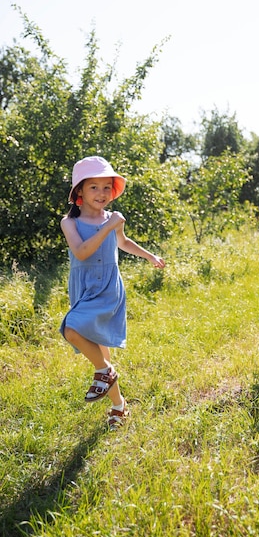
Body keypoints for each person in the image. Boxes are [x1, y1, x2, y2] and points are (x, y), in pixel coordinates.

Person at [60, 156, 165, 428]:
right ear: (79, 191)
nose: (102, 193)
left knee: (72, 329)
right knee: (101, 358)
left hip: (107, 288)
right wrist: (108, 225)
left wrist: (149, 255)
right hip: (84, 288)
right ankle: (119, 406)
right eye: (94, 187)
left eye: (107, 187)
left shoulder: (113, 219)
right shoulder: (69, 223)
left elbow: (123, 242)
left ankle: (107, 376)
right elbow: (82, 252)